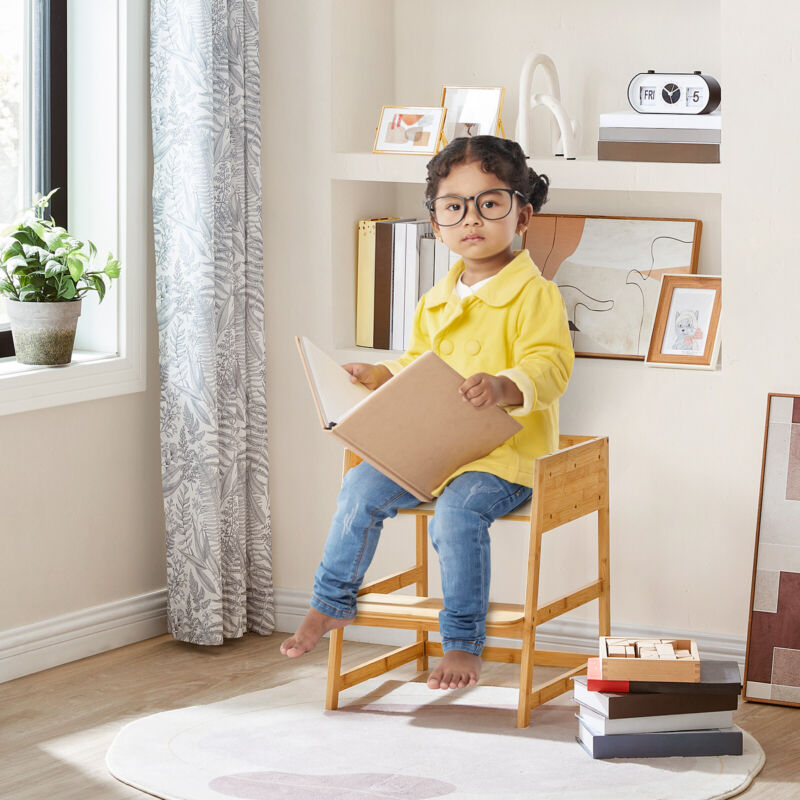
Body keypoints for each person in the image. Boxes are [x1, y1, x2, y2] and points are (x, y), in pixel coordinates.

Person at [281, 135, 574, 691]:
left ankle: (462, 642)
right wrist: (381, 374)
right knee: (360, 489)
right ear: (436, 225)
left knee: (456, 517)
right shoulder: (437, 298)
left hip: (502, 460)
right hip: (432, 450)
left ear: (523, 214)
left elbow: (550, 365)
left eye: (490, 203)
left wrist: (504, 386)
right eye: (453, 206)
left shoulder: (537, 296)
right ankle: (330, 601)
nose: (472, 220)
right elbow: (420, 361)